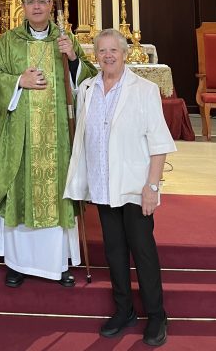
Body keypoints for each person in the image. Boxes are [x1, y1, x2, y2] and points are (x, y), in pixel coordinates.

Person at [0, 0, 96, 288]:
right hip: (21, 136)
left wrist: (74, 59)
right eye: (30, 1)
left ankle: (58, 263)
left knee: (56, 194)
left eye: (42, 1)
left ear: (50, 5)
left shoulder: (65, 41)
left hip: (57, 138)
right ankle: (18, 263)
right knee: (21, 193)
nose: (36, 6)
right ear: (22, 6)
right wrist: (18, 80)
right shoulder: (9, 42)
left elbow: (88, 82)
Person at [64, 28, 176, 347]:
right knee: (114, 252)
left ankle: (156, 315)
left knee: (142, 250)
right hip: (103, 186)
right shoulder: (87, 88)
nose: (108, 55)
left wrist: (152, 186)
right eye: (102, 51)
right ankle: (124, 309)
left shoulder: (143, 90)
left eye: (114, 50)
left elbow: (158, 143)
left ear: (124, 54)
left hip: (135, 187)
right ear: (95, 56)